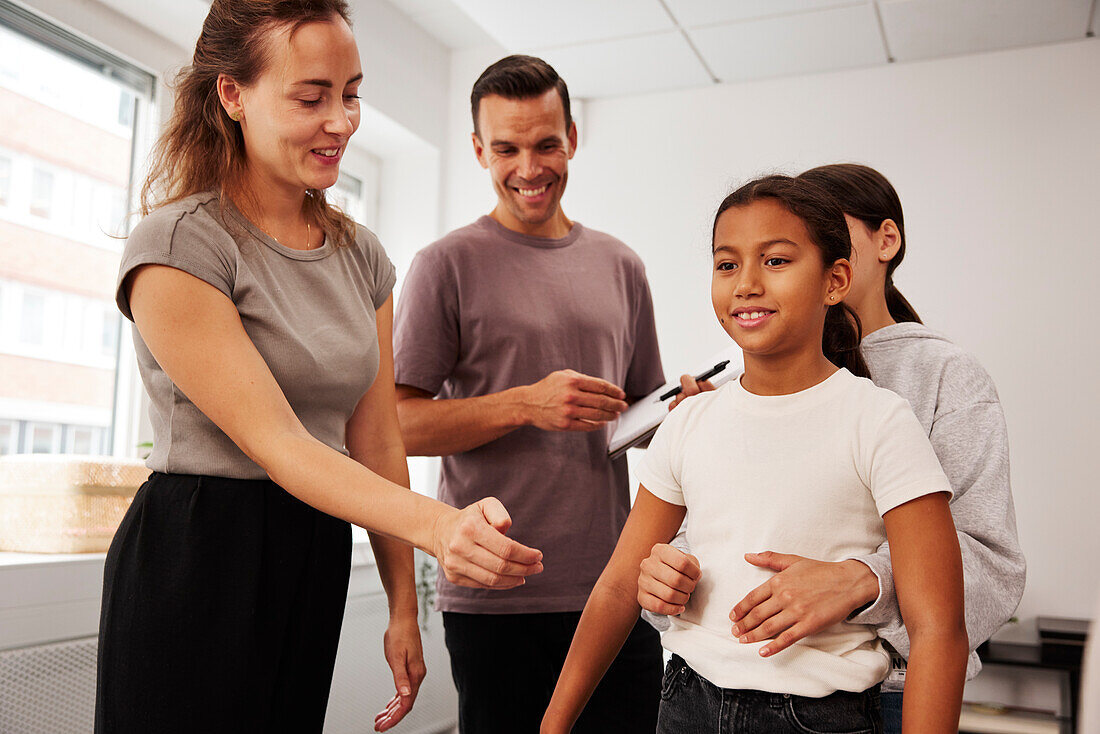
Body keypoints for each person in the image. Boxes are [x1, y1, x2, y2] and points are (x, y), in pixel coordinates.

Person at [95, 4, 543, 733]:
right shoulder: (180, 245)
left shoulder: (359, 256)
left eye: (351, 94)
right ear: (232, 96)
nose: (340, 120)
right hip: (199, 550)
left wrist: (405, 604)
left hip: (313, 543)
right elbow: (282, 443)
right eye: (311, 97)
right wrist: (440, 528)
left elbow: (376, 442)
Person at [542, 174, 969, 734]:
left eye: (775, 261)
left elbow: (939, 627)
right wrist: (554, 724)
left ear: (835, 279)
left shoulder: (881, 421)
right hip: (685, 702)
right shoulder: (689, 422)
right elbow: (620, 586)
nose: (745, 284)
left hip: (820, 716)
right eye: (726, 264)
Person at [637, 163, 1026, 733]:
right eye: (734, 260)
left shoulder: (944, 378)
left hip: (889, 692)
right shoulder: (727, 393)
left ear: (876, 245)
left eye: (782, 253)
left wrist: (865, 580)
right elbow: (699, 557)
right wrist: (666, 577)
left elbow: (993, 570)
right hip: (718, 687)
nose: (755, 276)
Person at [392, 55, 665, 732]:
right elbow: (397, 425)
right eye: (507, 148)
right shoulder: (444, 265)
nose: (530, 168)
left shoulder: (621, 265)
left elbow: (639, 417)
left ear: (572, 136)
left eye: (546, 144)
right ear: (479, 149)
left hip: (613, 586)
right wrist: (524, 403)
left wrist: (679, 408)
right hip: (495, 590)